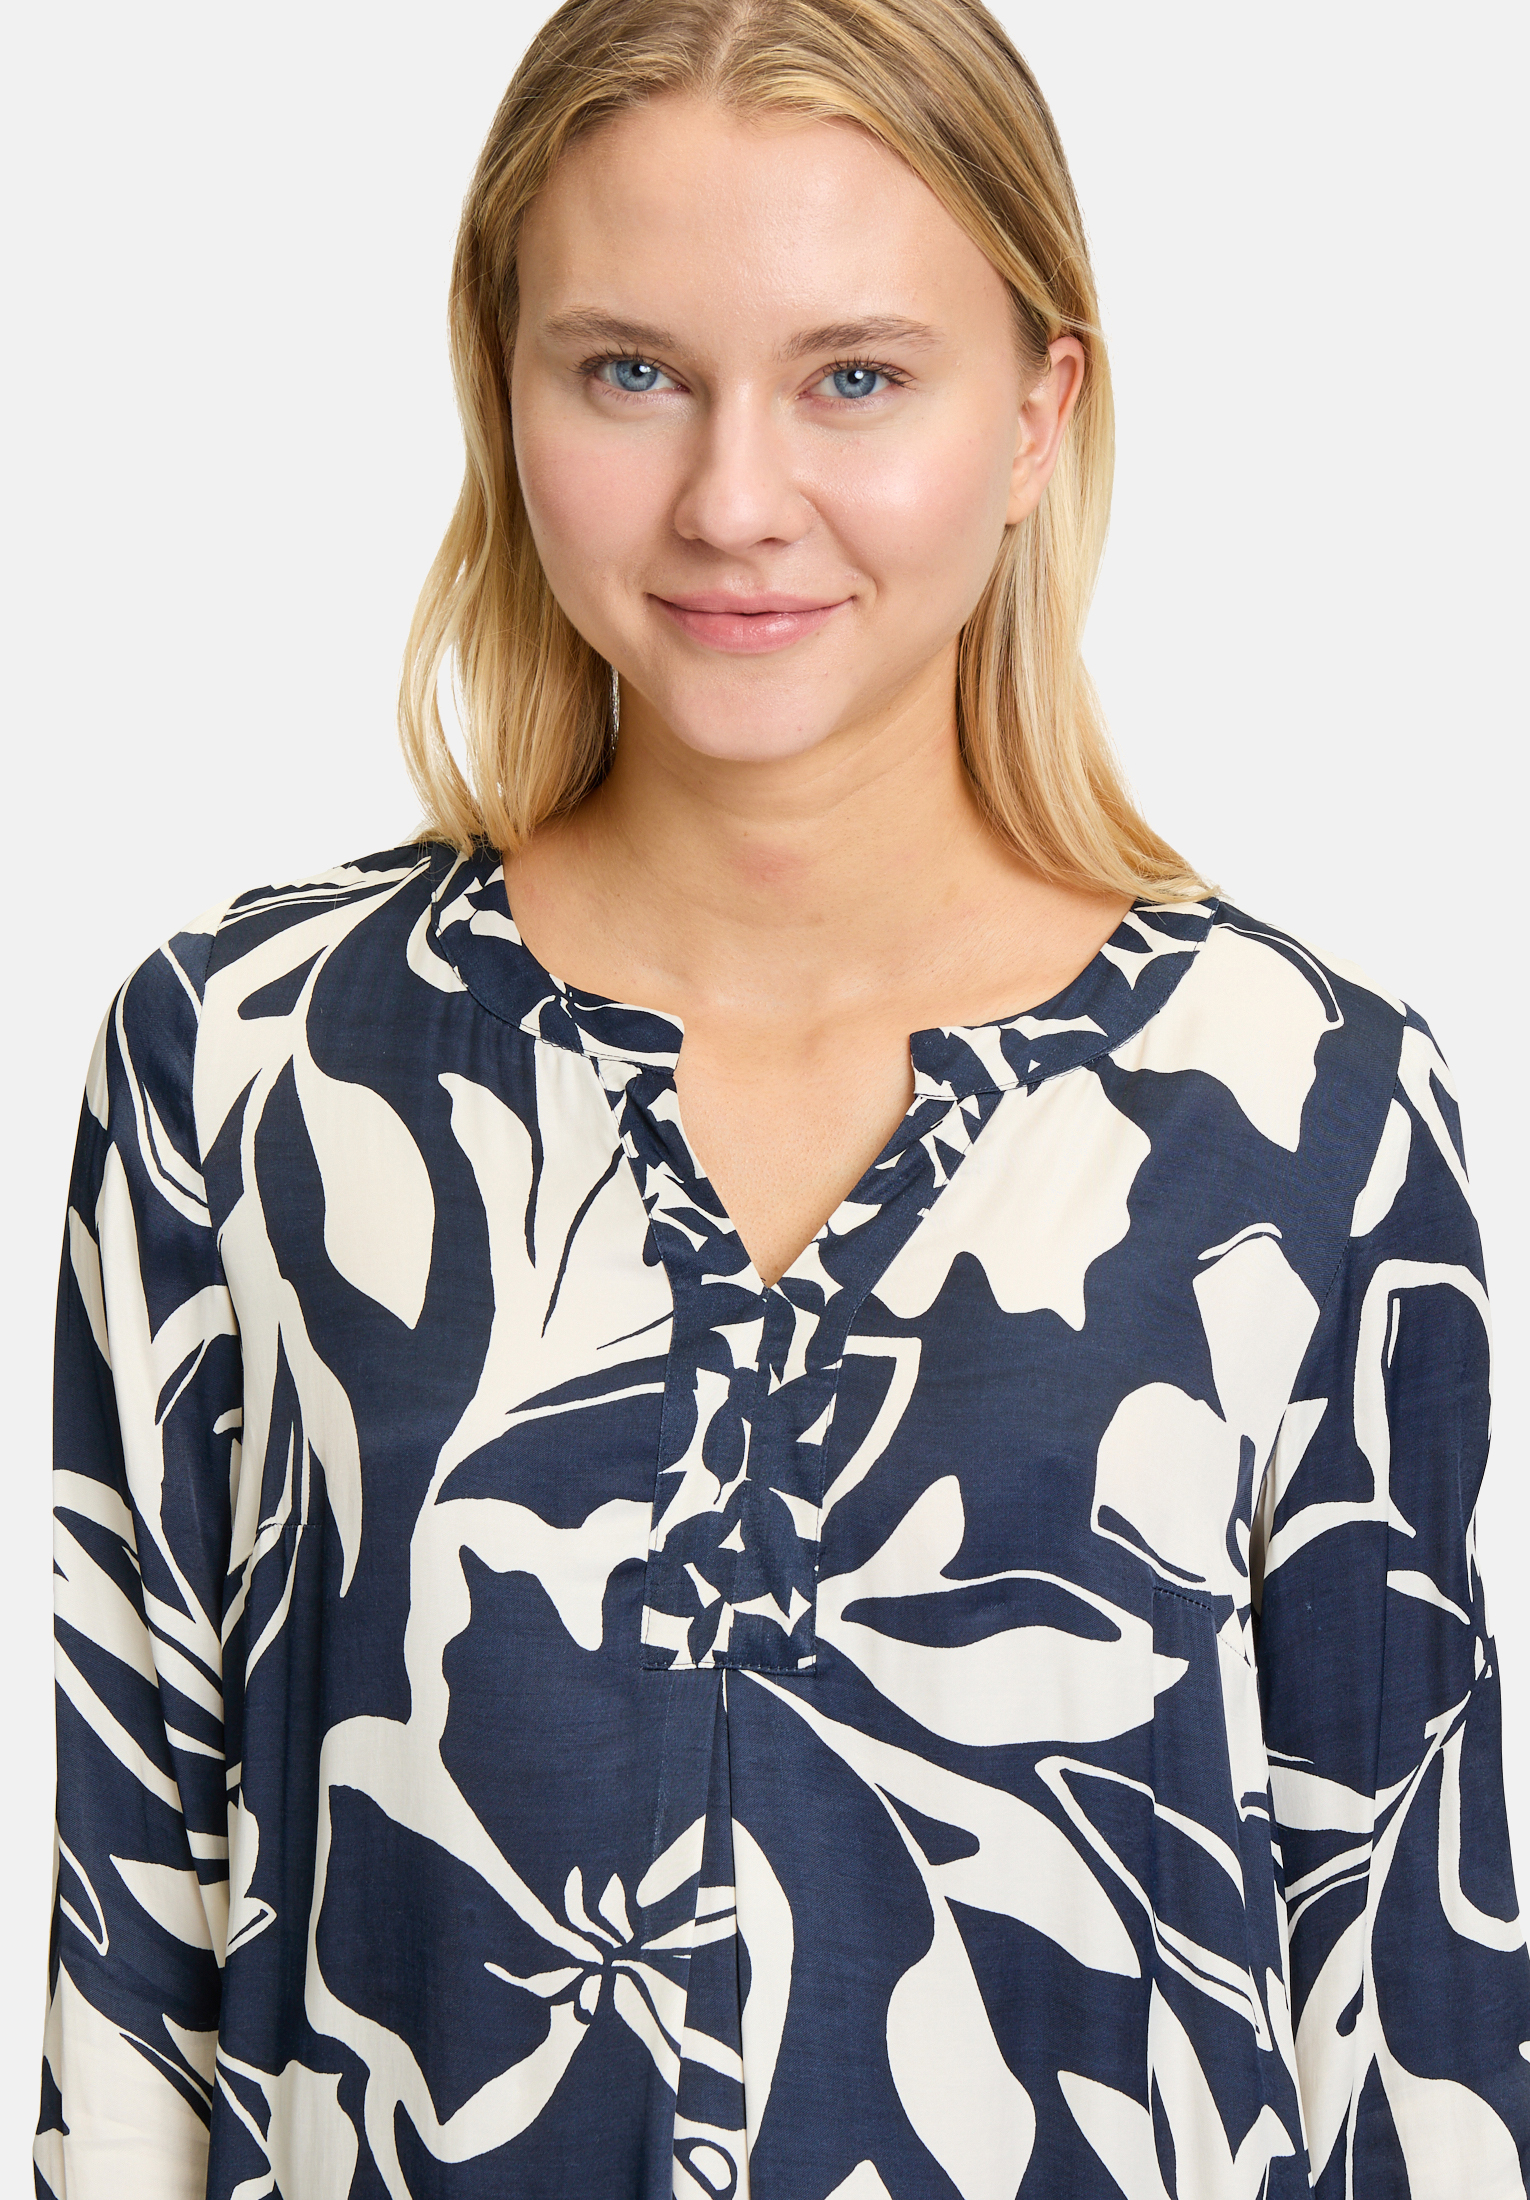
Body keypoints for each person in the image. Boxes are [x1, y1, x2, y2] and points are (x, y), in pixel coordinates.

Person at [36, 0, 1530, 2190]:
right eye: (630, 372)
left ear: (1036, 411)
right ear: (505, 391)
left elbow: (1408, 2016)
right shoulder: (243, 1064)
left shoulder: (1306, 1115)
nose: (735, 502)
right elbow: (133, 1979)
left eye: (854, 377)